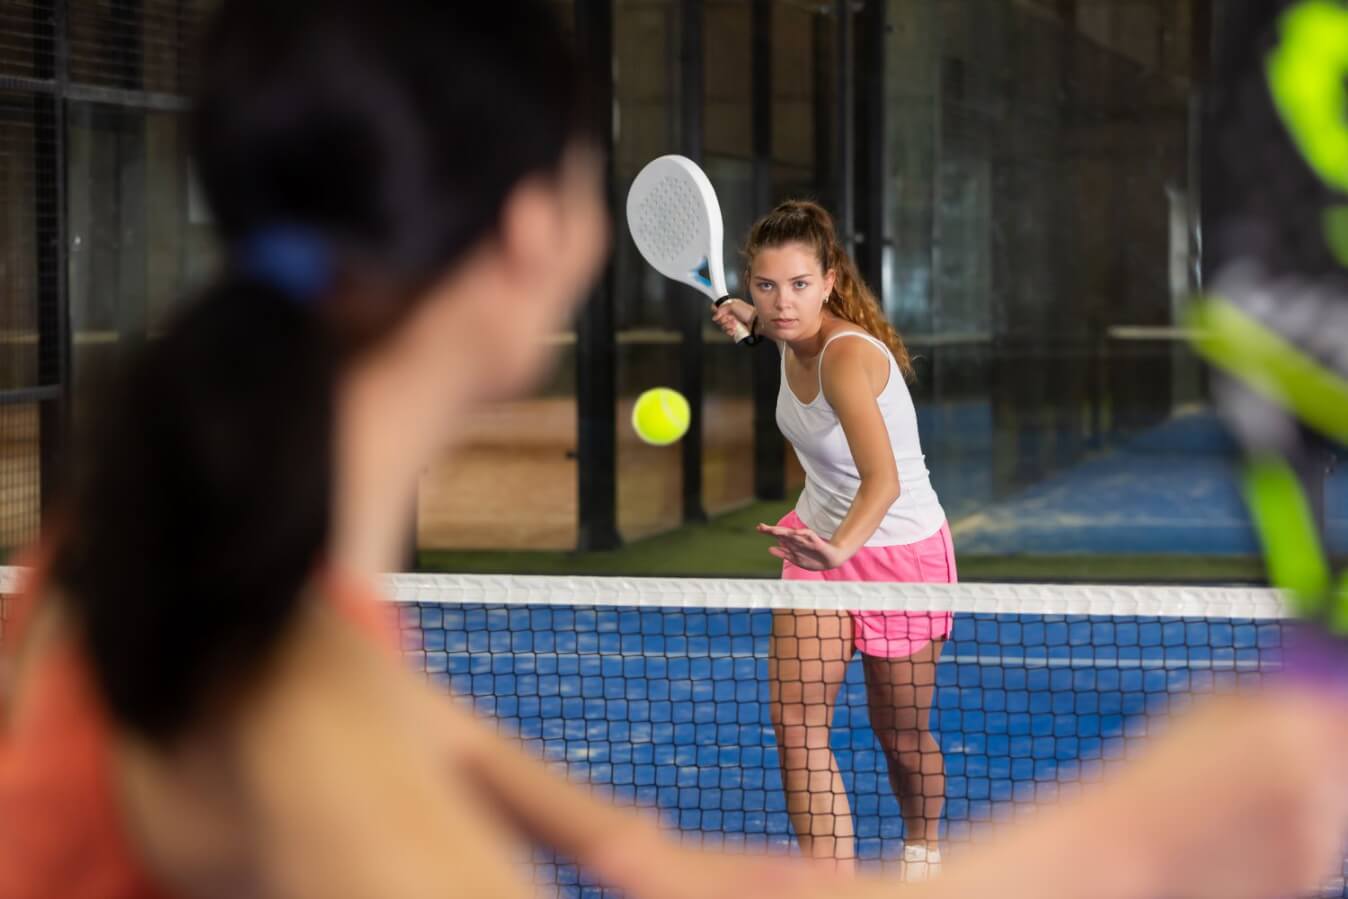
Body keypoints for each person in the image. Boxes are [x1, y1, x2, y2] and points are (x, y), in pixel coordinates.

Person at [3, 2, 1348, 897]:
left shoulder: (177, 547)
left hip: (890, 559)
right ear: (534, 232)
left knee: (891, 734)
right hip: (848, 559)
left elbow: (630, 845)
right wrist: (1138, 836)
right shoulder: (278, 689)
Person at [713, 201, 952, 879]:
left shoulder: (847, 360)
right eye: (767, 285)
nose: (782, 302)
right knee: (796, 723)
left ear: (831, 281)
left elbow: (881, 481)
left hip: (900, 552)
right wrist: (745, 314)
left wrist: (842, 550)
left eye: (798, 284)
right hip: (819, 542)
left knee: (900, 734)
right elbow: (767, 319)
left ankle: (922, 850)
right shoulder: (779, 324)